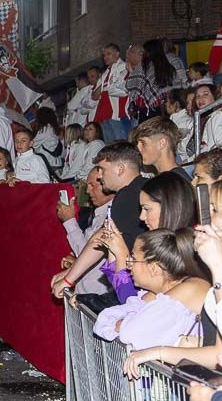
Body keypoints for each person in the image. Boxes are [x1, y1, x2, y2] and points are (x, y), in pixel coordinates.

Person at [52, 141, 148, 299]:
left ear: (120, 169)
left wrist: (68, 280)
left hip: (137, 286)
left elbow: (99, 239)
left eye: (103, 170)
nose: (101, 176)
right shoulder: (147, 187)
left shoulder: (127, 195)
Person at [93, 229, 209, 351]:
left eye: (133, 258)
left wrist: (126, 322)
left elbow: (130, 334)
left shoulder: (188, 289)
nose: (128, 264)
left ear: (153, 268)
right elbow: (103, 320)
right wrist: (131, 320)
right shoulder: (160, 294)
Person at [57, 167, 114, 296]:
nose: (88, 191)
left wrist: (69, 220)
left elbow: (90, 251)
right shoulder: (99, 212)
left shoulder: (113, 215)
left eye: (93, 185)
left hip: (97, 296)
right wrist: (75, 262)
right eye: (87, 185)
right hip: (85, 292)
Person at [92, 43, 130, 141]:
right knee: (109, 146)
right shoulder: (106, 72)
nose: (105, 57)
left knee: (120, 145)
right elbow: (94, 96)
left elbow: (123, 90)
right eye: (104, 55)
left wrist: (106, 87)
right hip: (104, 113)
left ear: (117, 54)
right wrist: (106, 87)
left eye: (108, 54)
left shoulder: (124, 67)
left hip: (117, 114)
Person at [31, 107, 64, 175]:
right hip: (55, 163)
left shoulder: (45, 130)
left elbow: (32, 144)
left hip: (49, 165)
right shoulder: (52, 128)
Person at [166, 89, 195, 164]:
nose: (165, 104)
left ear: (175, 104)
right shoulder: (174, 120)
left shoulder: (184, 121)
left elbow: (184, 149)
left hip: (183, 159)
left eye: (167, 101)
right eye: (187, 102)